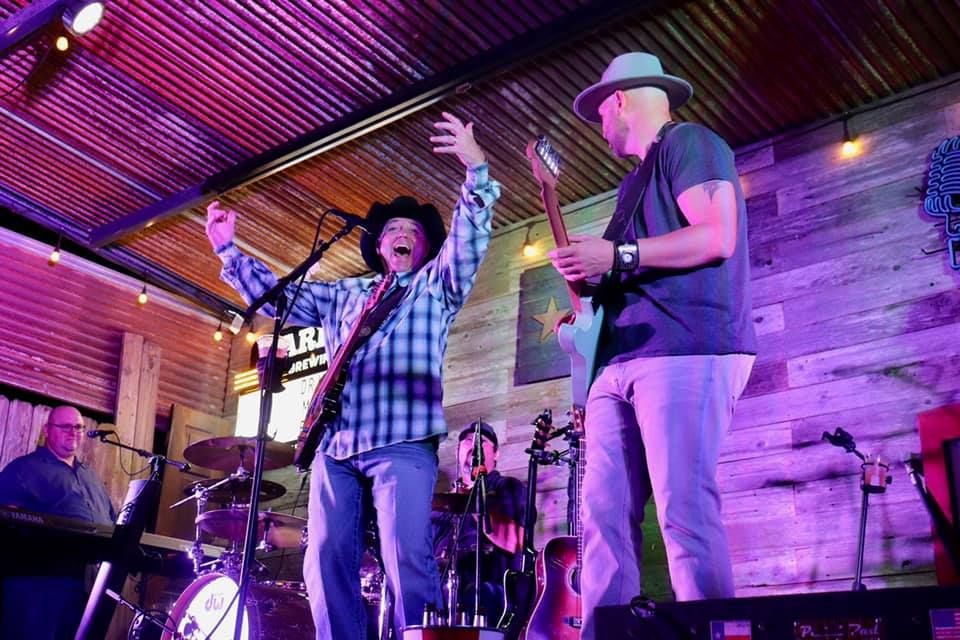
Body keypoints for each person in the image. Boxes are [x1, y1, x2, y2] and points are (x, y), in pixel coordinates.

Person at [205, 112, 499, 639]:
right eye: (393, 231)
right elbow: (279, 301)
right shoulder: (346, 294)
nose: (402, 235)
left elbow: (469, 241)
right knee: (323, 560)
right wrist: (228, 249)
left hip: (403, 442)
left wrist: (476, 171)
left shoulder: (436, 285)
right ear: (380, 246)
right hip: (336, 445)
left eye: (412, 232)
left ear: (425, 247)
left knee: (407, 557)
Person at [546, 52, 757, 638]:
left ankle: (714, 634)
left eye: (600, 111)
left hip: (686, 346)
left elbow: (717, 236)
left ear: (619, 100)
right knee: (602, 521)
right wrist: (591, 284)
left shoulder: (690, 142)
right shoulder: (631, 185)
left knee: (683, 510)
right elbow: (628, 268)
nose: (599, 124)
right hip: (619, 361)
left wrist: (616, 254)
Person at [0, 404, 117, 640]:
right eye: (65, 426)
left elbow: (109, 521)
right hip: (38, 589)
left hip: (87, 588)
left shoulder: (90, 477)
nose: (73, 432)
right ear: (47, 430)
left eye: (78, 427)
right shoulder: (23, 469)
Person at [432, 421, 528, 624]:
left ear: (496, 454)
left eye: (482, 441)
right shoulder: (441, 503)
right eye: (468, 441)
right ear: (457, 452)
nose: (474, 445)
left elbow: (516, 543)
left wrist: (476, 500)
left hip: (489, 592)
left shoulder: (507, 487)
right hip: (440, 589)